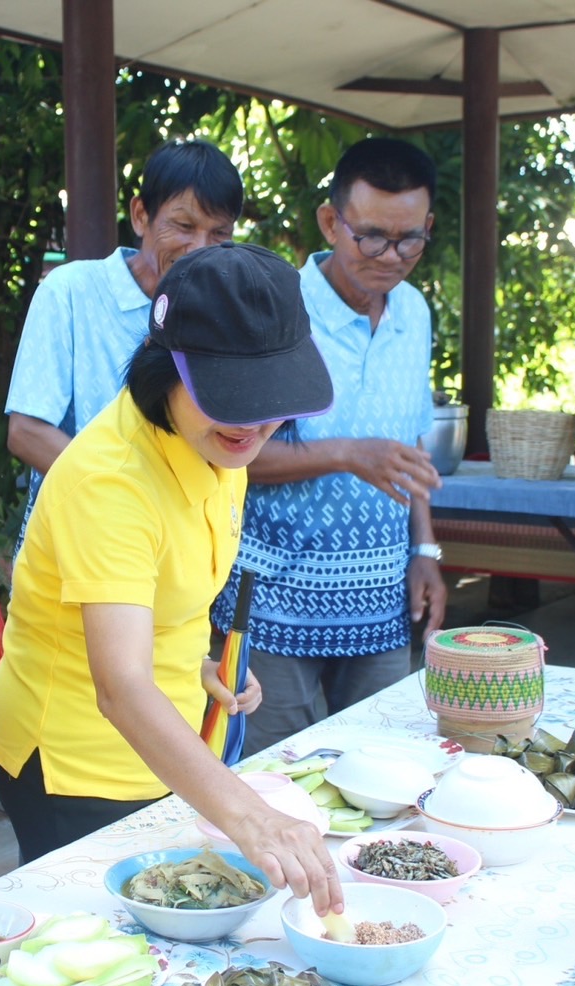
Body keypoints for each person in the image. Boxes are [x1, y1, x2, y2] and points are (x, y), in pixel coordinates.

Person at [0, 241, 345, 917]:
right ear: (166, 367)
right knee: (103, 951)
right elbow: (120, 687)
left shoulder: (218, 445)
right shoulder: (111, 479)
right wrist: (254, 818)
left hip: (165, 745)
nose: (255, 424)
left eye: (271, 401)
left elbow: (159, 596)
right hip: (76, 762)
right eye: (232, 400)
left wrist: (196, 660)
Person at [212, 138, 448, 758]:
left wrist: (423, 549)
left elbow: (410, 446)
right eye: (371, 236)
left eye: (409, 240)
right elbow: (232, 454)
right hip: (275, 605)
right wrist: (346, 453)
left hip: (380, 601)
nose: (390, 257)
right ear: (329, 222)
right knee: (272, 780)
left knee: (382, 772)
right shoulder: (278, 307)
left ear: (427, 229)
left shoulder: (414, 312)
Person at [4, 138, 242, 537]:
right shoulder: (71, 291)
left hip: (179, 556)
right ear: (140, 215)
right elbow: (26, 432)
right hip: (76, 547)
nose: (199, 249)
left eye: (219, 233)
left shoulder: (223, 311)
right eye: (183, 226)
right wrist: (127, 500)